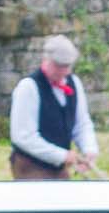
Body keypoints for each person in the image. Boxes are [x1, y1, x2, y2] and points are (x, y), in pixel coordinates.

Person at [9, 35, 99, 180]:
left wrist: (89, 149)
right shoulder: (28, 87)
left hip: (59, 168)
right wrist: (62, 155)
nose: (64, 71)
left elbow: (81, 123)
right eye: (58, 66)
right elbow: (23, 137)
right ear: (46, 60)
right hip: (30, 167)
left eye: (67, 66)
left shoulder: (74, 83)